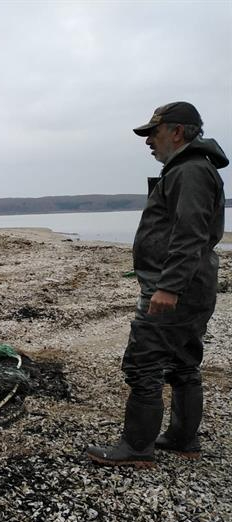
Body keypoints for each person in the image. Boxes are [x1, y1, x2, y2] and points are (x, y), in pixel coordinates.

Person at [87, 102, 227, 467]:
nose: (149, 141)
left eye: (154, 132)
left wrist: (169, 287)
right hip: (192, 284)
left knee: (143, 363)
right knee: (183, 362)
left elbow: (190, 234)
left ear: (177, 132)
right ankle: (183, 438)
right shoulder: (191, 169)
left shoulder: (191, 171)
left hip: (176, 287)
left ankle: (136, 448)